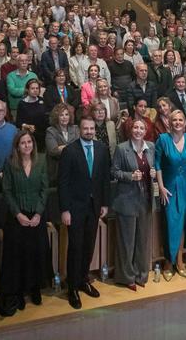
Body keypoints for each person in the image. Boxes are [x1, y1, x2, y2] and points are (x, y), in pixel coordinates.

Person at [0, 130, 51, 316]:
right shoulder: (10, 163)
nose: (27, 145)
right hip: (16, 217)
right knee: (17, 256)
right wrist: (18, 214)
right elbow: (7, 191)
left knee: (36, 252)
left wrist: (38, 214)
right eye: (23, 143)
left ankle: (34, 288)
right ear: (17, 146)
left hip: (36, 216)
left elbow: (45, 189)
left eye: (29, 142)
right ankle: (18, 292)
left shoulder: (41, 161)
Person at [58, 116, 112, 310]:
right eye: (85, 128)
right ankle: (72, 287)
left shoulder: (102, 149)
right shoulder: (69, 151)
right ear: (79, 130)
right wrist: (64, 209)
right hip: (74, 208)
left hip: (95, 207)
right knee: (75, 247)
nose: (89, 131)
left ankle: (83, 279)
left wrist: (105, 204)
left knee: (89, 246)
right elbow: (62, 183)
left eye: (91, 128)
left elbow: (105, 179)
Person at [153, 109, 186, 280]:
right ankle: (168, 261)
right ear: (169, 122)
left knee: (182, 225)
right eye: (174, 120)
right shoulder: (163, 139)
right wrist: (160, 186)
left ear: (185, 122)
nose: (178, 123)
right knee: (169, 224)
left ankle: (180, 261)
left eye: (181, 120)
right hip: (169, 189)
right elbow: (157, 164)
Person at [111, 118, 155, 290]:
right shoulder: (122, 148)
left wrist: (152, 173)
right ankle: (126, 277)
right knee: (127, 241)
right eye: (135, 127)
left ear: (146, 131)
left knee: (142, 240)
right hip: (127, 199)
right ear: (130, 130)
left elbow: (156, 168)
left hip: (145, 199)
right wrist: (130, 176)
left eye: (141, 128)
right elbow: (113, 171)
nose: (138, 130)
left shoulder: (151, 147)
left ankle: (141, 274)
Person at [45, 103, 79, 184]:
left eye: (66, 114)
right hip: (58, 169)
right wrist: (72, 147)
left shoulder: (75, 129)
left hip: (74, 168)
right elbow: (53, 151)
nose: (64, 117)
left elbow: (80, 148)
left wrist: (62, 147)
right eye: (61, 115)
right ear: (57, 117)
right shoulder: (51, 131)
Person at [16, 79, 47, 147]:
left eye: (37, 88)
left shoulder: (42, 100)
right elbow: (18, 122)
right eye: (32, 88)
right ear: (27, 90)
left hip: (42, 136)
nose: (35, 90)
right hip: (29, 136)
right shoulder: (22, 103)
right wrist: (26, 126)